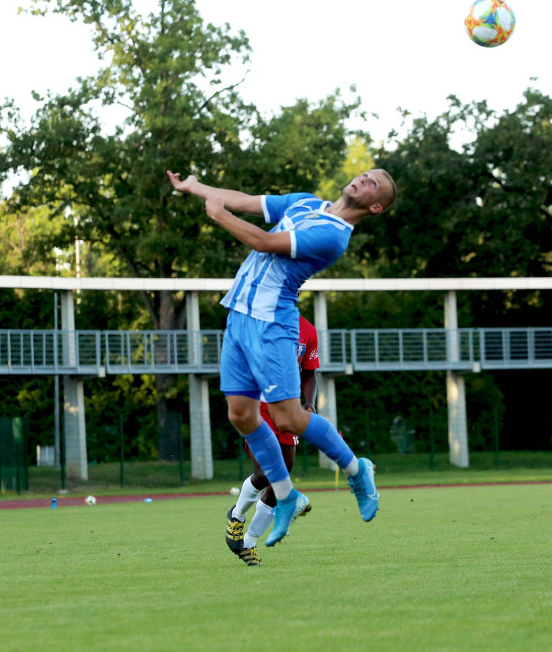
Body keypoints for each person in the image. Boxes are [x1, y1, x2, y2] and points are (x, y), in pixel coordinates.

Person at [167, 167, 396, 546]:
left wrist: (219, 214)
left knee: (289, 417)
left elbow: (261, 242)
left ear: (375, 207)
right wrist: (194, 187)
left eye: (374, 183)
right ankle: (287, 496)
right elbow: (242, 199)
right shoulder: (305, 201)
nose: (363, 178)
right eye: (365, 173)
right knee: (241, 414)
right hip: (239, 316)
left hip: (273, 322)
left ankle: (358, 470)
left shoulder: (334, 237)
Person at [225, 315, 320, 566]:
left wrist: (309, 403)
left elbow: (310, 373)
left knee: (282, 477)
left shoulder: (307, 330)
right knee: (266, 471)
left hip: (288, 409)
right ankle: (237, 516)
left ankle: (249, 542)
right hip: (258, 407)